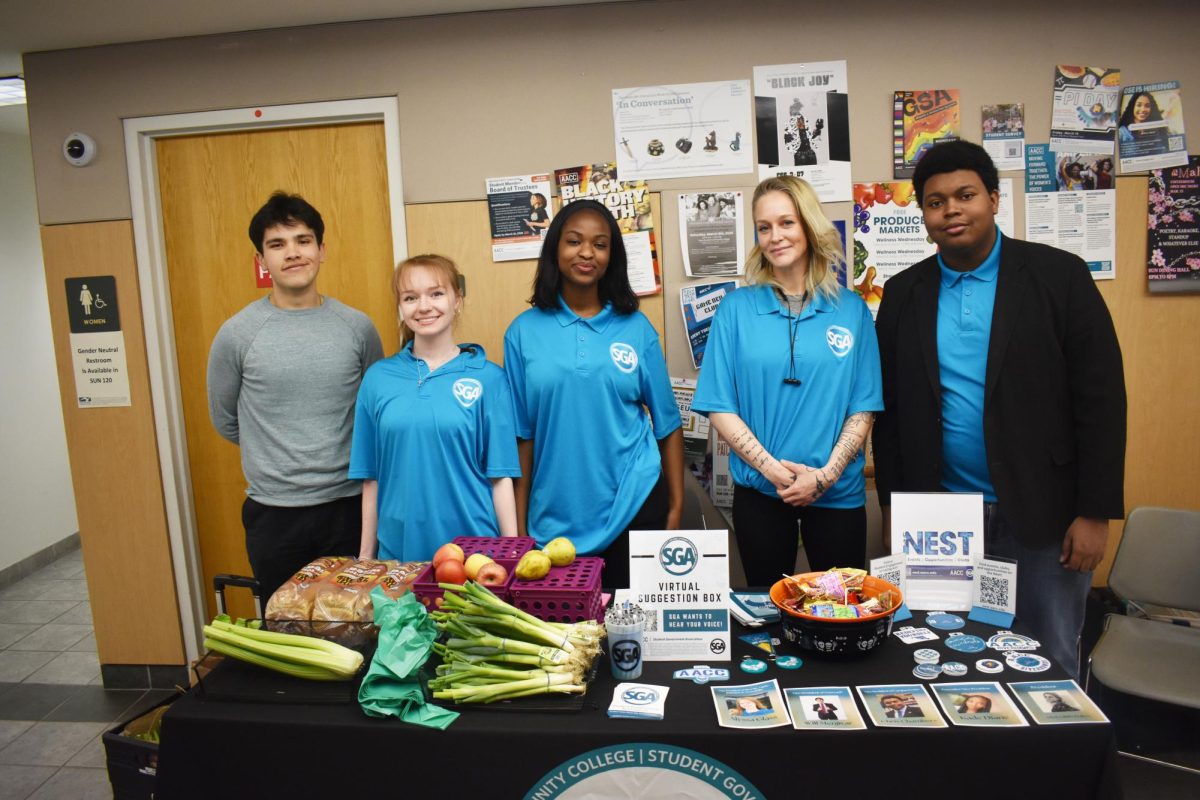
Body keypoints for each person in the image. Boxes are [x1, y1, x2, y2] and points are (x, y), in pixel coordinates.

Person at [873, 140, 1127, 678]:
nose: (952, 211)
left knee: (1049, 656)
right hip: (940, 519)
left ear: (993, 199)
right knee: (941, 653)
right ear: (924, 215)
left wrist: (1095, 511)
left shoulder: (1059, 276)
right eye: (936, 202)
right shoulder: (903, 293)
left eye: (965, 195)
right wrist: (896, 506)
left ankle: (1054, 763)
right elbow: (890, 412)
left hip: (1045, 515)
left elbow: (1101, 398)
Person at [692, 176, 882, 586]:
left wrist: (824, 476)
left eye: (787, 223)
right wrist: (776, 473)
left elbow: (863, 407)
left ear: (809, 226)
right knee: (768, 616)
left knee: (840, 614)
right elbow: (719, 406)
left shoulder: (850, 311)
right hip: (762, 495)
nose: (775, 236)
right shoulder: (736, 309)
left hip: (837, 495)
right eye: (764, 227)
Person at [207, 192, 384, 602]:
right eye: (277, 244)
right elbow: (225, 419)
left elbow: (375, 413)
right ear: (261, 259)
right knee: (287, 629)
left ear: (321, 250)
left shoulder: (357, 328)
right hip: (273, 515)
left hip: (350, 507)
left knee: (354, 625)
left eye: (303, 241)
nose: (292, 253)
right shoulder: (237, 334)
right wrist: (278, 454)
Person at [503, 199, 684, 590]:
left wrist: (675, 508)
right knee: (567, 642)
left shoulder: (636, 328)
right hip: (552, 521)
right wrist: (516, 530)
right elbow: (522, 437)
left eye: (600, 244)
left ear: (611, 257)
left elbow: (668, 425)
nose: (587, 252)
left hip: (634, 502)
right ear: (555, 249)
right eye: (574, 241)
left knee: (635, 638)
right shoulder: (522, 333)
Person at [350, 254, 520, 561]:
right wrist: (365, 558)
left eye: (436, 293)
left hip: (475, 554)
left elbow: (501, 477)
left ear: (458, 300)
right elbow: (370, 478)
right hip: (399, 554)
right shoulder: (377, 379)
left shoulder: (490, 378)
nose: (424, 306)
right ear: (400, 307)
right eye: (411, 297)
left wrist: (512, 555)